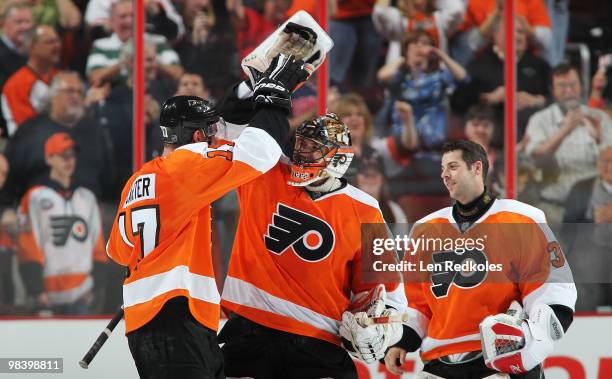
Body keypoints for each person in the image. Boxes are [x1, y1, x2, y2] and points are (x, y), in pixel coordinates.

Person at [105, 54, 309, 378]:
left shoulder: (140, 179)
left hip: (146, 320)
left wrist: (247, 91)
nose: (217, 136)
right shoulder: (188, 166)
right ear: (197, 136)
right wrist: (275, 100)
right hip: (176, 314)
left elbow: (117, 251)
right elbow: (261, 152)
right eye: (210, 131)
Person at [219, 112, 411, 378]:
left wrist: (379, 329)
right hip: (250, 331)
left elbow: (389, 298)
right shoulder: (267, 171)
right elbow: (229, 131)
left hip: (317, 344)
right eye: (301, 145)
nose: (301, 153)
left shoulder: (366, 211)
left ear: (338, 157)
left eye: (313, 148)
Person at [385, 140, 577, 378]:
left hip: (498, 360)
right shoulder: (426, 229)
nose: (444, 175)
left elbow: (553, 292)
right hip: (438, 364)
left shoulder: (521, 219)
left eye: (452, 166)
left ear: (477, 168)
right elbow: (417, 303)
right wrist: (403, 340)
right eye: (442, 169)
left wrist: (531, 344)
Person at [17, 133, 107, 315]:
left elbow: (98, 246)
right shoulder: (35, 197)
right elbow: (28, 246)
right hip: (46, 297)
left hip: (82, 294)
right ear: (49, 158)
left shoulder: (86, 197)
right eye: (63, 155)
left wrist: (94, 288)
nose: (69, 160)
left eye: (72, 155)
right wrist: (37, 291)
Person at [524, 63, 612, 227]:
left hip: (593, 210)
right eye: (562, 86)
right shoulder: (540, 120)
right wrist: (564, 130)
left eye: (573, 85)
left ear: (582, 86)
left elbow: (609, 164)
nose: (569, 91)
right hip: (553, 208)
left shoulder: (599, 118)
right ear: (552, 90)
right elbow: (535, 159)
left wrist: (599, 139)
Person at [1, 24, 61, 136]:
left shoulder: (61, 77)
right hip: (28, 145)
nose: (57, 46)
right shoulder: (17, 84)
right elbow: (27, 126)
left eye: (57, 41)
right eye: (50, 42)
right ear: (32, 47)